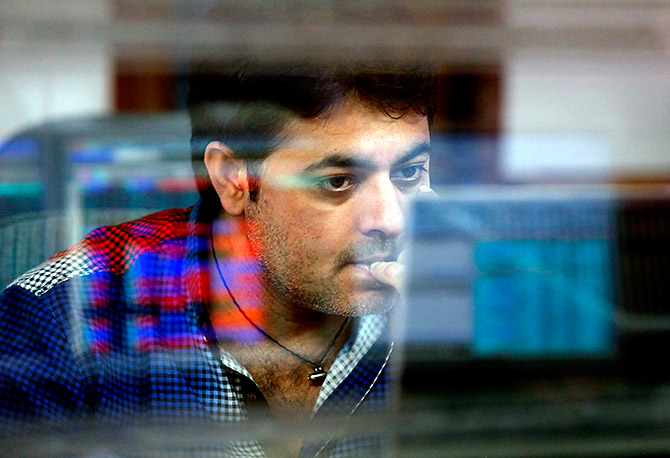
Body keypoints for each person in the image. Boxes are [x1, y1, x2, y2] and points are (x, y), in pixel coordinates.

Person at [0, 61, 436, 456]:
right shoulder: (60, 316)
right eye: (338, 182)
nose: (392, 221)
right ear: (233, 178)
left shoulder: (459, 299)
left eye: (409, 173)